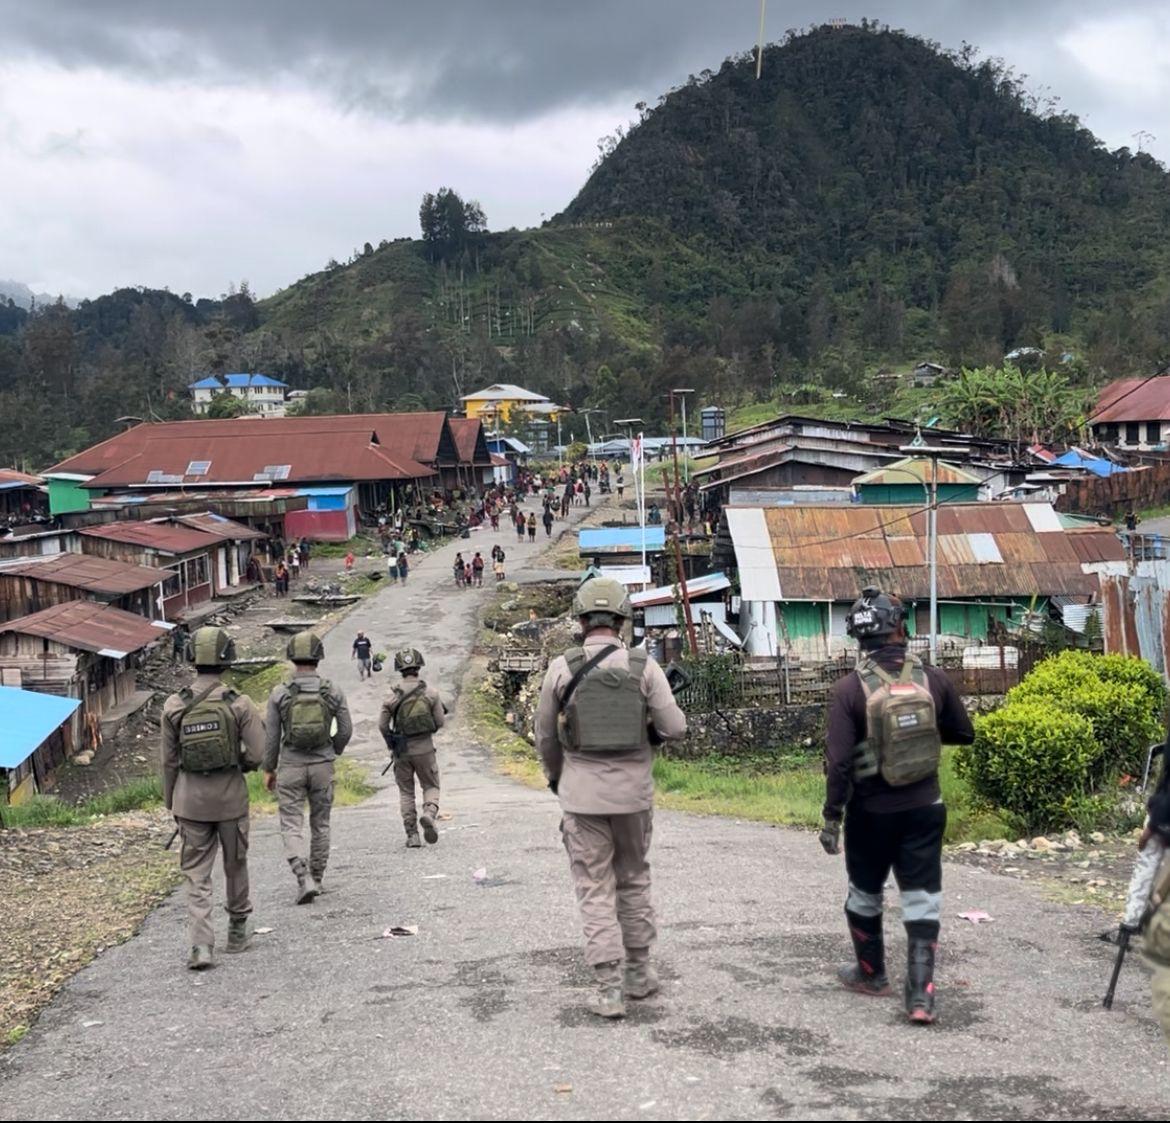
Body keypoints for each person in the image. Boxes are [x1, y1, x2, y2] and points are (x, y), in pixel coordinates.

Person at [534, 578, 687, 1019]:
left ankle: (607, 990)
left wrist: (557, 777)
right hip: (633, 797)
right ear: (623, 620)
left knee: (594, 887)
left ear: (581, 620)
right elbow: (675, 727)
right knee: (634, 878)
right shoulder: (645, 667)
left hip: (581, 799)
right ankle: (639, 974)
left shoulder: (561, 669)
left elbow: (545, 736)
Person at [821, 586, 975, 1024]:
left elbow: (838, 764)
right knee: (922, 898)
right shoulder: (934, 679)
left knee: (865, 895)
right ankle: (921, 995)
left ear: (858, 637)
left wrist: (832, 818)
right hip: (927, 807)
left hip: (871, 815)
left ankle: (871, 975)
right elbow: (964, 734)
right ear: (900, 628)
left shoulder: (848, 690)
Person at [160, 626, 266, 970]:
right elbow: (259, 752)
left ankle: (201, 946)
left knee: (196, 875)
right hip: (231, 800)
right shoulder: (239, 703)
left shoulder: (174, 704)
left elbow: (169, 761)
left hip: (190, 803)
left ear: (192, 658)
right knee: (235, 865)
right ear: (227, 658)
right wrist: (241, 764)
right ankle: (237, 931)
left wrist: (172, 802)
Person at [264, 632, 353, 903]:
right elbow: (346, 729)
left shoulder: (280, 693)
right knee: (321, 823)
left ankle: (302, 875)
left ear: (292, 657)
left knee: (291, 823)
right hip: (322, 765)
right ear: (319, 656)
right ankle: (318, 877)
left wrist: (269, 769)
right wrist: (333, 749)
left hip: (291, 765)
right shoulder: (332, 690)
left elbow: (271, 737)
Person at [378, 648, 445, 848]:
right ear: (419, 667)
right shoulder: (431, 694)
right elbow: (440, 722)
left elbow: (382, 725)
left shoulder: (391, 697)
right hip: (425, 748)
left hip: (401, 750)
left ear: (399, 669)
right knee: (431, 785)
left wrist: (392, 743)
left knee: (406, 792)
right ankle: (429, 814)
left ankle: (412, 835)